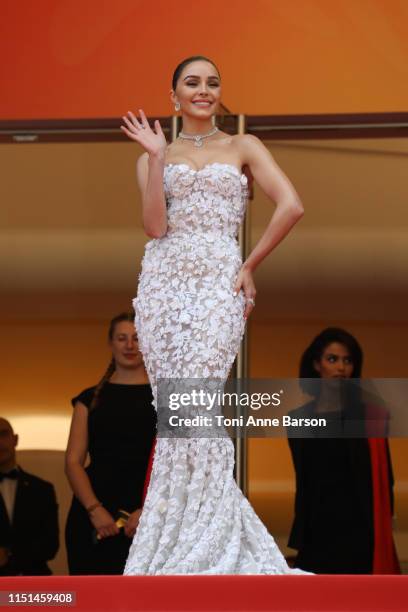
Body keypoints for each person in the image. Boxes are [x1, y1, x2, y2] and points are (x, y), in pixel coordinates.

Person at [120, 55, 308, 575]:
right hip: (162, 288)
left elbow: (290, 204)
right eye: (192, 83)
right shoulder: (155, 154)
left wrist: (249, 264)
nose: (204, 90)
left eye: (212, 83)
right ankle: (178, 544)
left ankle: (209, 540)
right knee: (177, 416)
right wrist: (158, 157)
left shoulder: (242, 145)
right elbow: (155, 228)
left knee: (195, 406)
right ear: (174, 94)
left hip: (219, 284)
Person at [287, 327, 400, 574]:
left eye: (348, 361)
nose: (341, 367)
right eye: (332, 359)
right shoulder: (298, 419)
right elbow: (304, 481)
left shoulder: (370, 417)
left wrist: (384, 524)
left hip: (360, 530)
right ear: (317, 365)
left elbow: (384, 477)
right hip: (317, 530)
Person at [65, 311, 156, 574]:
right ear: (111, 343)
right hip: (92, 516)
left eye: (137, 338)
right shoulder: (88, 398)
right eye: (122, 338)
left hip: (152, 515)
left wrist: (150, 511)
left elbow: (182, 465)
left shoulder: (168, 398)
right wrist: (95, 511)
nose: (130, 345)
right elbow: (72, 462)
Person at [0, 418, 59, 575]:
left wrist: (9, 555)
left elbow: (51, 545)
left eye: (3, 434)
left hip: (34, 582)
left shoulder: (42, 490)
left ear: (15, 439)